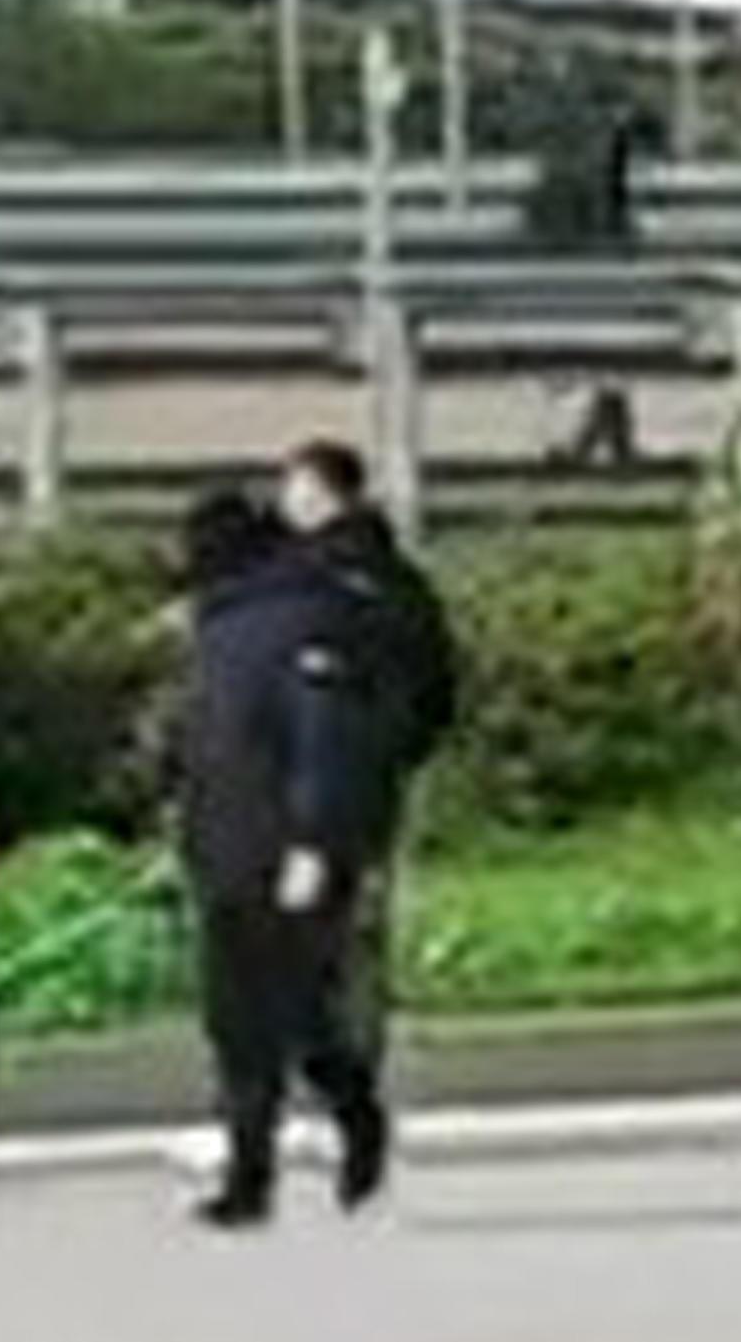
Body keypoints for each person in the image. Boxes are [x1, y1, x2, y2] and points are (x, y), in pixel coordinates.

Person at [178, 484, 396, 1231]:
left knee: (298, 1015)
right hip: (225, 845)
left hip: (286, 851)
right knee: (234, 1019)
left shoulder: (308, 621)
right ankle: (249, 1178)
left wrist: (313, 841)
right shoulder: (219, 627)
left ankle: (356, 1112)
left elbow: (320, 740)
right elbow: (210, 749)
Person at [274, 440, 460, 1078]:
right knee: (357, 935)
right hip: (375, 787)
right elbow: (438, 689)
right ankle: (354, 1072)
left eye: (294, 489)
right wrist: (397, 755)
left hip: (303, 786)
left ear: (320, 494)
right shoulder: (402, 581)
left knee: (296, 935)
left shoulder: (305, 587)